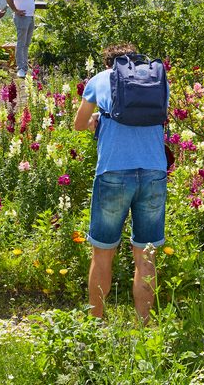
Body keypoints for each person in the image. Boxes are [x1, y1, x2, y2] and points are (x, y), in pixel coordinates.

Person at [74, 42, 168, 323]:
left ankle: (96, 324)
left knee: (102, 254)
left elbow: (78, 124)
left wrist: (94, 120)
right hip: (153, 173)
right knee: (146, 256)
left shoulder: (100, 80)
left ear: (109, 64)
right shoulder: (156, 80)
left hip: (113, 172)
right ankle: (143, 325)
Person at [5, 0, 37, 79]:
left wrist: (30, 4)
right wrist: (15, 10)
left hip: (30, 15)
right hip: (22, 17)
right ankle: (21, 68)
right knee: (21, 43)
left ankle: (25, 66)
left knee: (27, 43)